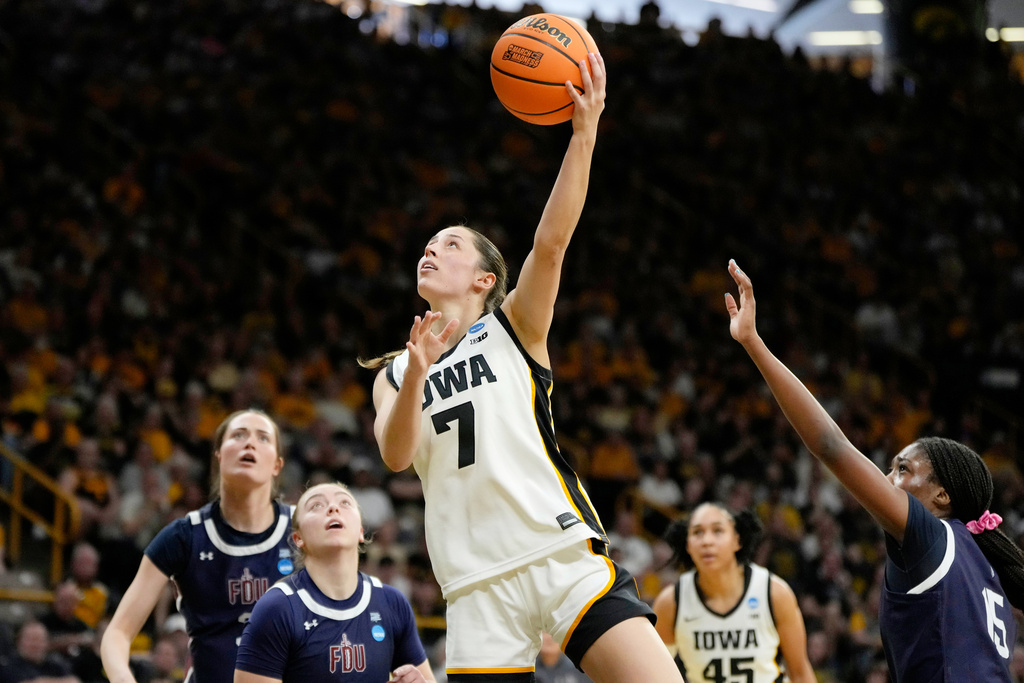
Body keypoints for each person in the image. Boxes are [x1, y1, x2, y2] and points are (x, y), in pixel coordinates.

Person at [363, 53, 682, 683]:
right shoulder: (394, 373)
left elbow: (551, 243)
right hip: (474, 582)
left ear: (485, 279)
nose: (431, 249)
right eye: (428, 245)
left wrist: (584, 132)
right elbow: (396, 457)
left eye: (450, 243)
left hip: (557, 549)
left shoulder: (513, 327)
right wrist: (418, 372)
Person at [724, 259, 1024, 681]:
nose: (887, 480)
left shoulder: (932, 536)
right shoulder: (990, 575)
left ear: (942, 495)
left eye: (902, 469)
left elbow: (830, 445)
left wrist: (754, 343)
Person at [101, 409, 296, 683]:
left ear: (277, 464)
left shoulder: (305, 529)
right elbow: (117, 633)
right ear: (218, 455)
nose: (250, 443)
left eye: (263, 438)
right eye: (238, 435)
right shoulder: (184, 536)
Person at [234, 481, 433, 683]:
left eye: (345, 503)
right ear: (298, 538)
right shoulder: (277, 608)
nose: (333, 508)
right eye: (316, 505)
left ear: (361, 531)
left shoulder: (392, 602)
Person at [651, 503, 816, 683]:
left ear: (737, 540)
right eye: (697, 532)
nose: (707, 541)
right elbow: (653, 675)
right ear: (688, 545)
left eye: (718, 531)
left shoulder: (774, 593)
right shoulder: (671, 603)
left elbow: (800, 672)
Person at [0, 620, 81, 683]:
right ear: (19, 641)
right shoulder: (9, 666)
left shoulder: (54, 663)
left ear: (47, 643)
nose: (35, 645)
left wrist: (42, 681)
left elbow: (74, 681)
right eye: (31, 640)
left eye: (40, 640)